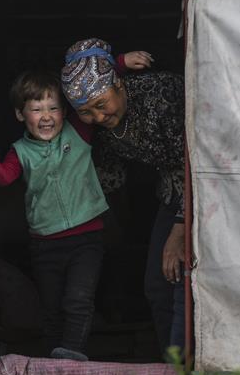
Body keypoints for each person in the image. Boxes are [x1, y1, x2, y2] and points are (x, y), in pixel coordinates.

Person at [61, 38, 187, 358]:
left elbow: (196, 160)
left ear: (119, 84)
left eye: (102, 105)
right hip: (170, 194)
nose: (98, 117)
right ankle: (169, 370)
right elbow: (109, 178)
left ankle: (191, 373)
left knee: (184, 284)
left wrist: (181, 227)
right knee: (157, 287)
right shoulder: (103, 127)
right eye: (86, 112)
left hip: (205, 191)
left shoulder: (162, 95)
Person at [0, 69, 108, 361]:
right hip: (45, 243)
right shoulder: (20, 151)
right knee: (51, 306)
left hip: (87, 238)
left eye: (54, 108)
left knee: (78, 300)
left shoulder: (79, 132)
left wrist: (122, 62)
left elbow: (92, 88)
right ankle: (51, 361)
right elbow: (4, 178)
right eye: (36, 109)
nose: (46, 116)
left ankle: (72, 356)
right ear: (20, 115)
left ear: (66, 112)